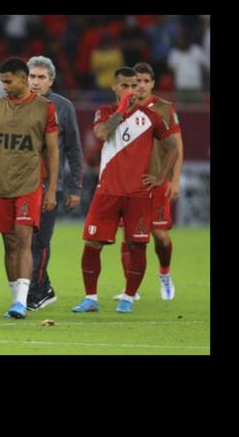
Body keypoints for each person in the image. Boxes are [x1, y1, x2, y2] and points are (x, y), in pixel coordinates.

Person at [72, 67, 179, 314]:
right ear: (114, 87)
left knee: (137, 245)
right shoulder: (105, 112)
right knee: (92, 243)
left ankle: (128, 298)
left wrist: (161, 176)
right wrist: (121, 111)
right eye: (125, 86)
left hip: (138, 194)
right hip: (107, 191)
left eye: (135, 86)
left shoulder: (151, 116)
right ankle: (90, 298)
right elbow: (101, 133)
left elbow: (172, 147)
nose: (132, 90)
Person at [0, 56, 82, 310]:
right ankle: (38, 289)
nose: (36, 82)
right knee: (16, 240)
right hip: (13, 183)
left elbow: (72, 150)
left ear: (51, 80)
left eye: (41, 77)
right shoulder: (6, 107)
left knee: (38, 241)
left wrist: (73, 187)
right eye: (33, 76)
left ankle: (34, 293)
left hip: (49, 185)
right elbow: (2, 147)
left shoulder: (60, 107)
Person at [0, 57, 59, 319]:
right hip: (1, 184)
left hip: (29, 184)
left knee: (23, 239)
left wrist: (52, 188)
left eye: (8, 81)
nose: (4, 86)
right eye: (2, 82)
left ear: (23, 79)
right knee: (9, 243)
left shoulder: (45, 108)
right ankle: (16, 299)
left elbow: (52, 151)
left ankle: (22, 302)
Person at [112, 62, 184, 301]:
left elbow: (177, 146)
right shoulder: (123, 108)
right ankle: (130, 288)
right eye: (137, 81)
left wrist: (174, 180)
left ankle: (165, 273)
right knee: (129, 237)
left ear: (152, 83)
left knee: (160, 235)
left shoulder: (164, 108)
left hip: (156, 181)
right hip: (129, 183)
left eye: (145, 81)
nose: (140, 86)